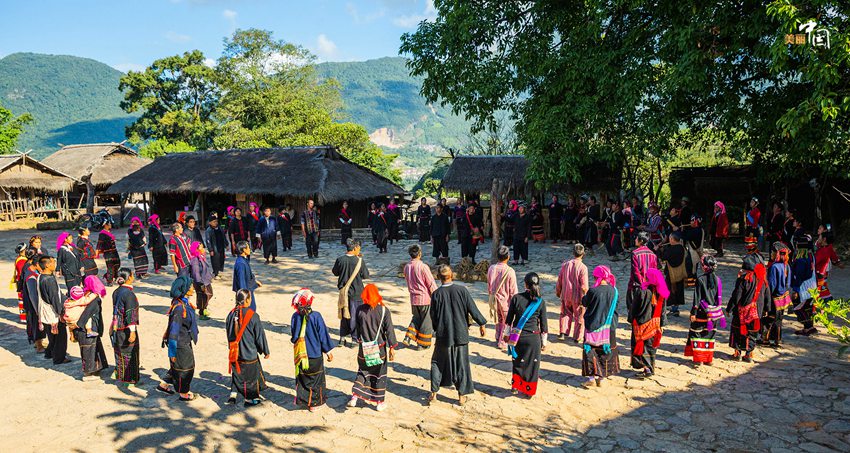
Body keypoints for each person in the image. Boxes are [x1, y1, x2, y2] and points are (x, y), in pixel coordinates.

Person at [428, 265, 487, 406]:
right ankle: (461, 396)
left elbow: (433, 316)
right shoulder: (462, 290)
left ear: (438, 278)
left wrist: (437, 329)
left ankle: (434, 393)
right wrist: (482, 323)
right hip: (461, 334)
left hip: (443, 335)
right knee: (461, 365)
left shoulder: (436, 294)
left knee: (437, 362)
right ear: (452, 275)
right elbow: (472, 308)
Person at [348, 284, 399, 411]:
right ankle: (379, 403)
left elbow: (357, 329)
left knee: (363, 371)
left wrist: (359, 339)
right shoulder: (384, 311)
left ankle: (354, 396)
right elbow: (389, 330)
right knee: (379, 374)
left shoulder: (359, 310)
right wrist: (392, 347)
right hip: (379, 349)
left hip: (364, 348)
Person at [290, 288, 335, 412]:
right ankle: (313, 404)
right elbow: (323, 336)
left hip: (301, 355)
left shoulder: (295, 317)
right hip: (315, 355)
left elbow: (294, 337)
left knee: (303, 379)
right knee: (316, 380)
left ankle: (301, 400)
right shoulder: (316, 316)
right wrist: (328, 352)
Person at [505, 273, 548, 397]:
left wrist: (506, 334)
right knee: (532, 365)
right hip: (533, 338)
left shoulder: (516, 298)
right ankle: (528, 390)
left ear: (525, 284)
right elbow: (544, 325)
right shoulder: (540, 302)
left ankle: (515, 386)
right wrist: (544, 342)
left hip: (518, 337)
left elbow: (509, 320)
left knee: (517, 361)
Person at [157, 276, 198, 401]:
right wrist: (172, 352)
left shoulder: (181, 302)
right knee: (186, 367)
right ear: (185, 289)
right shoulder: (179, 308)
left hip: (185, 338)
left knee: (178, 365)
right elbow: (174, 331)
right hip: (180, 343)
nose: (193, 288)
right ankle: (183, 393)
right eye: (191, 286)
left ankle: (164, 384)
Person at [226, 289, 270, 407]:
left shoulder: (230, 314)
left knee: (237, 374)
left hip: (235, 352)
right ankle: (250, 399)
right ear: (247, 300)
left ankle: (233, 394)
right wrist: (265, 350)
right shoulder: (253, 315)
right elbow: (260, 336)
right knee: (250, 378)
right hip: (249, 353)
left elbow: (229, 334)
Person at [580, 265, 621, 387]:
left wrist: (584, 293)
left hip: (593, 325)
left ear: (596, 277)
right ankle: (602, 378)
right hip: (608, 327)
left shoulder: (593, 291)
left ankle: (591, 378)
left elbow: (585, 303)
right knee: (605, 353)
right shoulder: (614, 291)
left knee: (591, 352)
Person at [727, 254, 769, 363]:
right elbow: (767, 296)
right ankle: (748, 354)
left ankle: (737, 353)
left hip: (741, 312)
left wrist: (729, 308)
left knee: (738, 330)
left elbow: (736, 296)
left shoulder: (743, 279)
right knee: (752, 332)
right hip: (757, 312)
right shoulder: (763, 279)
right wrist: (767, 309)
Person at [629, 268, 669, 378]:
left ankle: (647, 369)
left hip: (641, 324)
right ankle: (651, 367)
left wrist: (631, 319)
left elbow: (634, 307)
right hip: (655, 324)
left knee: (642, 347)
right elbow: (663, 310)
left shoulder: (641, 291)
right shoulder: (662, 292)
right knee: (651, 347)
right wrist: (662, 325)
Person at [685, 256, 725, 366]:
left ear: (704, 267)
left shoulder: (700, 279)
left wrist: (693, 312)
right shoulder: (718, 280)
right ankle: (708, 359)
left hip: (702, 312)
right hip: (713, 313)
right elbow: (718, 298)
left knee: (697, 334)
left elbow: (697, 298)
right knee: (709, 334)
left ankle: (699, 359)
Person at [333, 238, 369, 345]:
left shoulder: (340, 260)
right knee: (355, 316)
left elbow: (335, 272)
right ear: (354, 248)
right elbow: (365, 275)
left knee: (344, 315)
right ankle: (354, 339)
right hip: (356, 292)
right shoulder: (359, 261)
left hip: (343, 293)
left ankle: (342, 337)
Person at [37, 256, 71, 365]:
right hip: (53, 313)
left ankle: (49, 353)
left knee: (52, 337)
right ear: (47, 265)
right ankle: (59, 358)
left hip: (45, 312)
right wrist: (61, 312)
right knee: (60, 337)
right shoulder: (49, 280)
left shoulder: (41, 276)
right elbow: (55, 298)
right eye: (53, 262)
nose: (55, 264)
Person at [74, 275, 109, 381]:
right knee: (89, 351)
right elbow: (87, 313)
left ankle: (96, 369)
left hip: (85, 329)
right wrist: (79, 325)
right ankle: (88, 374)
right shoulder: (94, 299)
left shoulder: (84, 295)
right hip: (87, 329)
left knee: (92, 349)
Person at [404, 244, 438, 349]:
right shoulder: (423, 267)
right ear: (419, 254)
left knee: (416, 318)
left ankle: (408, 336)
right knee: (426, 321)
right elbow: (430, 283)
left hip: (413, 298)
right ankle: (422, 344)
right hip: (424, 298)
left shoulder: (407, 267)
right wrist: (436, 295)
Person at [111, 268, 140, 385]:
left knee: (120, 353)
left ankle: (121, 376)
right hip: (126, 329)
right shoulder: (129, 294)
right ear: (130, 277)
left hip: (117, 328)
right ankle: (130, 380)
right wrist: (132, 331)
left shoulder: (116, 292)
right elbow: (130, 313)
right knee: (130, 353)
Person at [760, 243, 792, 348]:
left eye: (773, 252)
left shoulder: (774, 267)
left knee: (769, 318)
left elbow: (771, 285)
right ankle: (777, 340)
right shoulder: (787, 266)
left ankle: (765, 339)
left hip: (774, 297)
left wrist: (766, 297)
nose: (771, 254)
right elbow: (788, 283)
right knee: (778, 319)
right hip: (783, 298)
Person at [556, 244, 589, 342]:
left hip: (565, 294)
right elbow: (584, 286)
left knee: (565, 313)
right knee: (579, 316)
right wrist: (586, 298)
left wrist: (558, 291)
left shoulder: (565, 265)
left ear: (573, 253)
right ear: (583, 254)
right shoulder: (583, 267)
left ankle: (563, 332)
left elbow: (560, 279)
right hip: (577, 297)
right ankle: (577, 337)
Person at [488, 246, 519, 349]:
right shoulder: (510, 271)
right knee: (507, 321)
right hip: (506, 302)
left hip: (494, 300)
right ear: (508, 257)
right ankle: (502, 342)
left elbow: (489, 284)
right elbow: (513, 291)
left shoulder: (491, 268)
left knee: (499, 319)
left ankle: (498, 336)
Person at [791, 234, 818, 336]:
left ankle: (808, 327)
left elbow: (799, 276)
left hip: (804, 287)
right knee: (808, 307)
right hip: (812, 286)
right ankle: (808, 327)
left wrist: (796, 290)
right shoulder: (811, 256)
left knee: (799, 307)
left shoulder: (801, 260)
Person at [628, 232, 659, 311]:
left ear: (641, 241)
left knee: (635, 308)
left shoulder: (635, 254)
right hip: (650, 286)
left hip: (638, 285)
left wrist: (642, 284)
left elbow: (636, 272)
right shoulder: (652, 254)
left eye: (636, 238)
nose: (635, 240)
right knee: (647, 309)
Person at [21, 250, 45, 350]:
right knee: (36, 323)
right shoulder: (31, 277)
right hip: (33, 305)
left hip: (33, 304)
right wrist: (38, 310)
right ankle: (38, 344)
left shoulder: (33, 271)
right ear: (36, 264)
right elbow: (33, 295)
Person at [661, 232, 687, 316]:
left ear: (672, 239)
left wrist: (658, 249)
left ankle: (673, 308)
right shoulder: (682, 248)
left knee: (671, 290)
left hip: (671, 273)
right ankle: (675, 308)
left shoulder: (671, 249)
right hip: (680, 273)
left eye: (670, 238)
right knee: (678, 290)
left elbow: (663, 257)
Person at [814, 232, 844, 302]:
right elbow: (833, 255)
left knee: (818, 288)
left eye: (820, 237)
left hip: (819, 273)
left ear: (824, 239)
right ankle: (827, 298)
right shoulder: (827, 247)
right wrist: (838, 262)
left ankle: (825, 299)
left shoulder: (823, 251)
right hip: (822, 272)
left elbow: (814, 261)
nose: (818, 239)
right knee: (822, 286)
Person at [233, 241, 261, 311]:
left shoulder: (243, 259)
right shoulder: (241, 264)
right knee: (250, 309)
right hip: (246, 291)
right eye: (248, 248)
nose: (249, 249)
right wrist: (245, 295)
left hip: (248, 288)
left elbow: (248, 274)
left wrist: (255, 281)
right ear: (244, 250)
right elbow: (241, 280)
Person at [189, 242, 214, 320]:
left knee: (209, 294)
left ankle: (204, 308)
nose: (203, 249)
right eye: (201, 247)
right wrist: (200, 283)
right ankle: (201, 313)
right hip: (201, 282)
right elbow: (195, 272)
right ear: (196, 249)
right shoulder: (195, 259)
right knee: (202, 296)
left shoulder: (201, 256)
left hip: (206, 280)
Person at [96, 219, 121, 285]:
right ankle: (109, 281)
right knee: (110, 266)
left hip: (114, 251)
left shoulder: (109, 232)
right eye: (109, 224)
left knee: (117, 264)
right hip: (108, 252)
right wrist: (97, 252)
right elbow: (99, 243)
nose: (110, 225)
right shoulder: (102, 234)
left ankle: (114, 276)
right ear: (105, 225)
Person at [204, 215, 228, 280]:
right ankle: (216, 273)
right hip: (214, 248)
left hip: (221, 246)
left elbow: (224, 236)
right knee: (215, 260)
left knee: (221, 259)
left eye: (216, 221)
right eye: (214, 222)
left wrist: (226, 244)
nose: (215, 223)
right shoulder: (208, 230)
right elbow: (208, 240)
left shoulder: (220, 228)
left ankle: (220, 271)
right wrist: (210, 250)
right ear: (210, 222)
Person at [11, 243, 28, 324]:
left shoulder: (21, 258)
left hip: (21, 282)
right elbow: (22, 273)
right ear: (24, 250)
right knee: (23, 300)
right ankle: (24, 318)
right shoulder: (21, 260)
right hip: (22, 283)